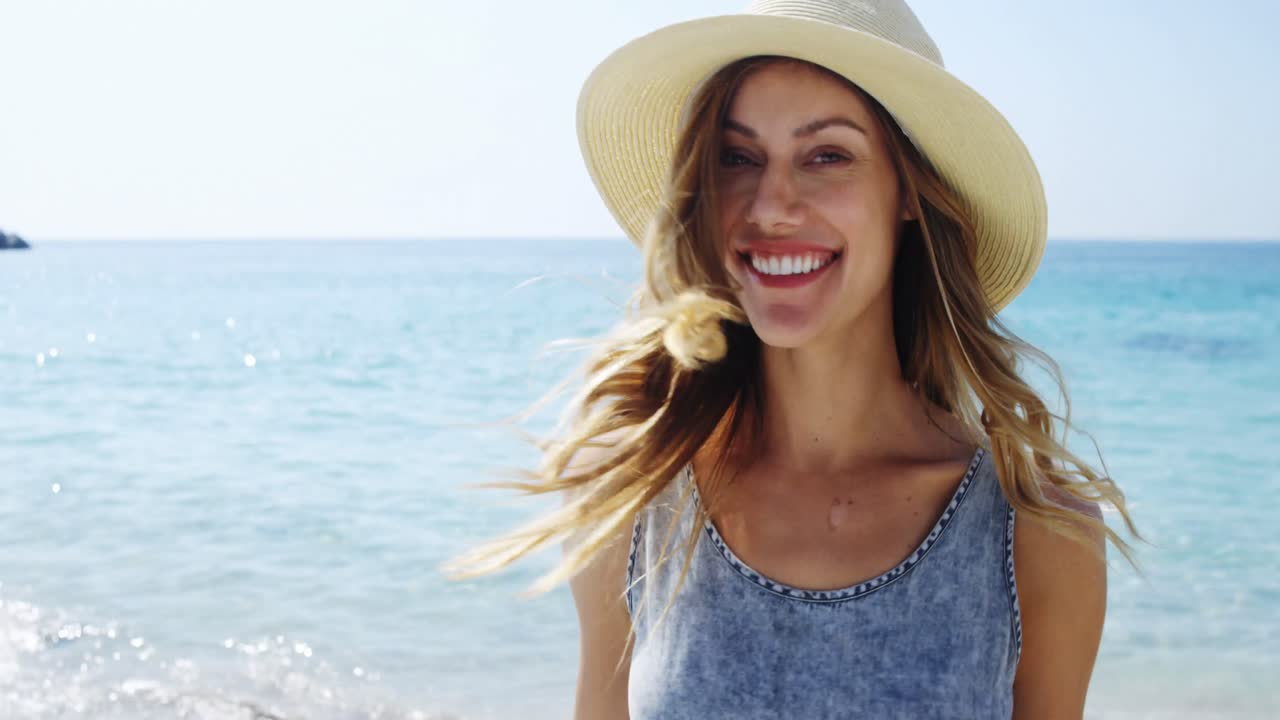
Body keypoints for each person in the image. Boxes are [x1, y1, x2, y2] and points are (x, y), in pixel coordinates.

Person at [444, 0, 1145, 717]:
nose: (771, 206)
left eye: (827, 156)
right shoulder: (632, 493)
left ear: (909, 191)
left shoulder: (1037, 529)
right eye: (738, 158)